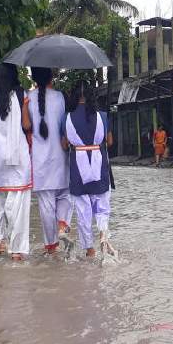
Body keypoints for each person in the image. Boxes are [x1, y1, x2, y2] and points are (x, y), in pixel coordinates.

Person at [0, 63, 33, 261]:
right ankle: (16, 250)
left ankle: (1, 241)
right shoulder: (20, 95)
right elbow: (26, 125)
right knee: (17, 200)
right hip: (16, 155)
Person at [62, 82, 113, 258]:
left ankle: (89, 250)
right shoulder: (103, 116)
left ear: (74, 97)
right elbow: (110, 142)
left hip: (78, 170)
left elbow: (64, 144)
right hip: (100, 167)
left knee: (83, 211)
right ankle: (103, 237)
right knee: (102, 207)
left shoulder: (66, 117)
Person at [28, 67, 72, 255]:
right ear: (51, 77)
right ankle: (63, 223)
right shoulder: (61, 97)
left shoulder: (27, 99)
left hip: (39, 160)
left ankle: (51, 246)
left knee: (46, 205)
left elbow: (26, 127)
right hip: (61, 156)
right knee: (65, 195)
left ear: (34, 78)